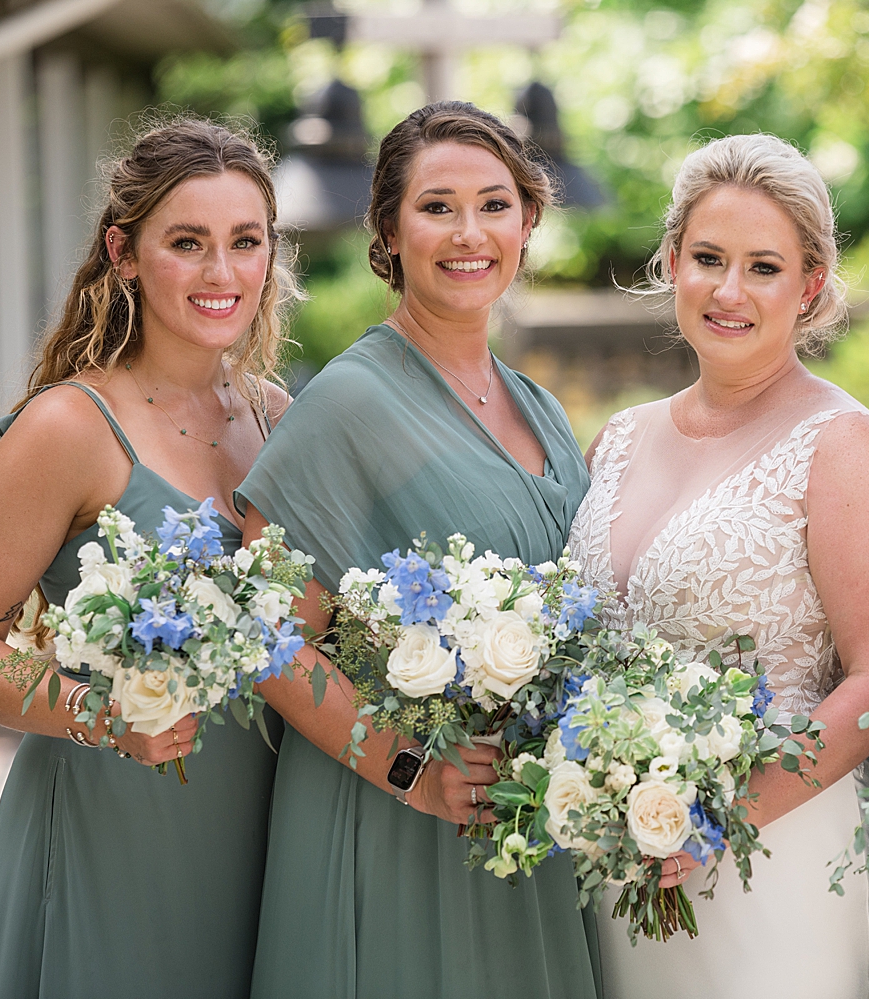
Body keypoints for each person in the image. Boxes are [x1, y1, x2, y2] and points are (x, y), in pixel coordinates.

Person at [0, 118, 295, 998]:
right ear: (123, 254)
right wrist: (107, 716)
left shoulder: (276, 415)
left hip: (257, 827)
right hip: (114, 821)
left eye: (246, 242)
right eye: (187, 243)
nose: (222, 273)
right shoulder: (69, 428)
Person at [236, 102, 601, 999]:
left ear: (528, 222)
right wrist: (412, 769)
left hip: (519, 821)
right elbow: (268, 640)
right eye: (437, 206)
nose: (469, 232)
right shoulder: (349, 404)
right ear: (389, 232)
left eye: (495, 204)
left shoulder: (539, 408)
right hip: (394, 822)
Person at [567, 132, 869, 998]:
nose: (729, 291)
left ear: (809, 285)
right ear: (671, 261)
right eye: (708, 258)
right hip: (616, 864)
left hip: (772, 862)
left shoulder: (843, 447)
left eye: (763, 266)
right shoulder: (617, 438)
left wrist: (717, 818)